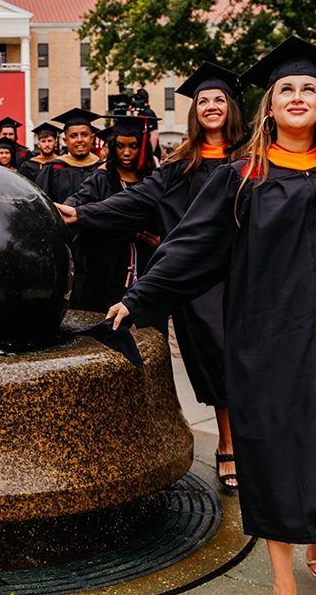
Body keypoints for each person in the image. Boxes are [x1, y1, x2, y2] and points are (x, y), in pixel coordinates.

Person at [102, 37, 316, 595]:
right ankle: (283, 587)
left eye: (309, 90)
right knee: (273, 457)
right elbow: (192, 247)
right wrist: (141, 297)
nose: (297, 97)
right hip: (269, 344)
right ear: (269, 106)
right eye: (286, 89)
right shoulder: (242, 177)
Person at [56, 62, 247, 489]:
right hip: (202, 280)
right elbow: (138, 199)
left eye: (219, 99)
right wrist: (81, 213)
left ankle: (262, 443)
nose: (211, 106)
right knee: (216, 358)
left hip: (254, 273)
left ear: (232, 109)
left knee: (258, 362)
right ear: (195, 113)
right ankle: (228, 444)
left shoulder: (255, 158)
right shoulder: (183, 163)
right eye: (203, 101)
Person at [62, 116, 159, 312]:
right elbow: (79, 201)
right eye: (120, 146)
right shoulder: (101, 178)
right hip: (108, 266)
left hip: (147, 263)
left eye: (133, 146)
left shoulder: (154, 180)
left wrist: (161, 240)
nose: (126, 152)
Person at [36, 108, 103, 203]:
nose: (79, 139)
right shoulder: (53, 169)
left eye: (84, 134)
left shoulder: (103, 168)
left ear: (92, 138)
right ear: (65, 141)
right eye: (73, 136)